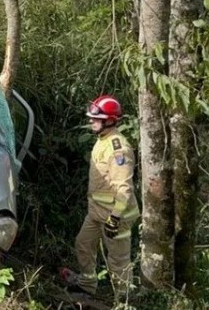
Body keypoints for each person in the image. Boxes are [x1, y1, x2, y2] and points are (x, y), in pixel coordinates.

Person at [62, 95, 139, 300]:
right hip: (97, 212)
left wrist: (115, 218)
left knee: (118, 261)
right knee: (83, 244)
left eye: (96, 119)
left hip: (116, 216)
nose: (91, 121)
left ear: (110, 121)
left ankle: (123, 300)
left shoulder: (119, 149)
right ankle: (87, 285)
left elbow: (124, 188)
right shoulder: (102, 140)